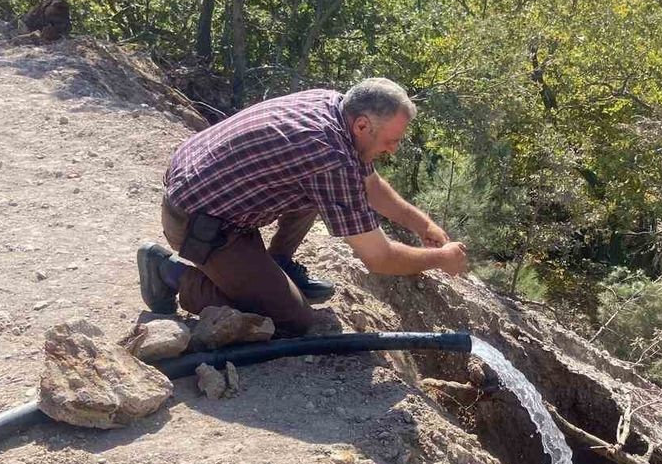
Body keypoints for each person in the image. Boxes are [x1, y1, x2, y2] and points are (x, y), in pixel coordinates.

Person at [137, 77, 468, 335]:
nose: (393, 150)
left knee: (311, 185)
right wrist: (441, 259)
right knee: (291, 320)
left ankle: (276, 264)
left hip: (207, 190)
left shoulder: (334, 106)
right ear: (362, 125)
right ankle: (170, 273)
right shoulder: (330, 157)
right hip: (200, 223)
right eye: (391, 141)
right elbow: (379, 258)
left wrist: (423, 225)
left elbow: (369, 185)